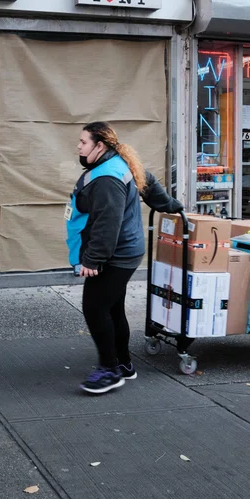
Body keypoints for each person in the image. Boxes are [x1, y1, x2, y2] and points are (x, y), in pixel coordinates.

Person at [66, 121, 183, 395]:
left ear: (100, 145)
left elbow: (108, 224)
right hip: (122, 251)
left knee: (95, 309)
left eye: (83, 142)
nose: (78, 147)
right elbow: (149, 183)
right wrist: (171, 205)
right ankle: (124, 364)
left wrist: (93, 260)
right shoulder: (120, 164)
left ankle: (109, 370)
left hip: (115, 255)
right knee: (112, 307)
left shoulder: (107, 178)